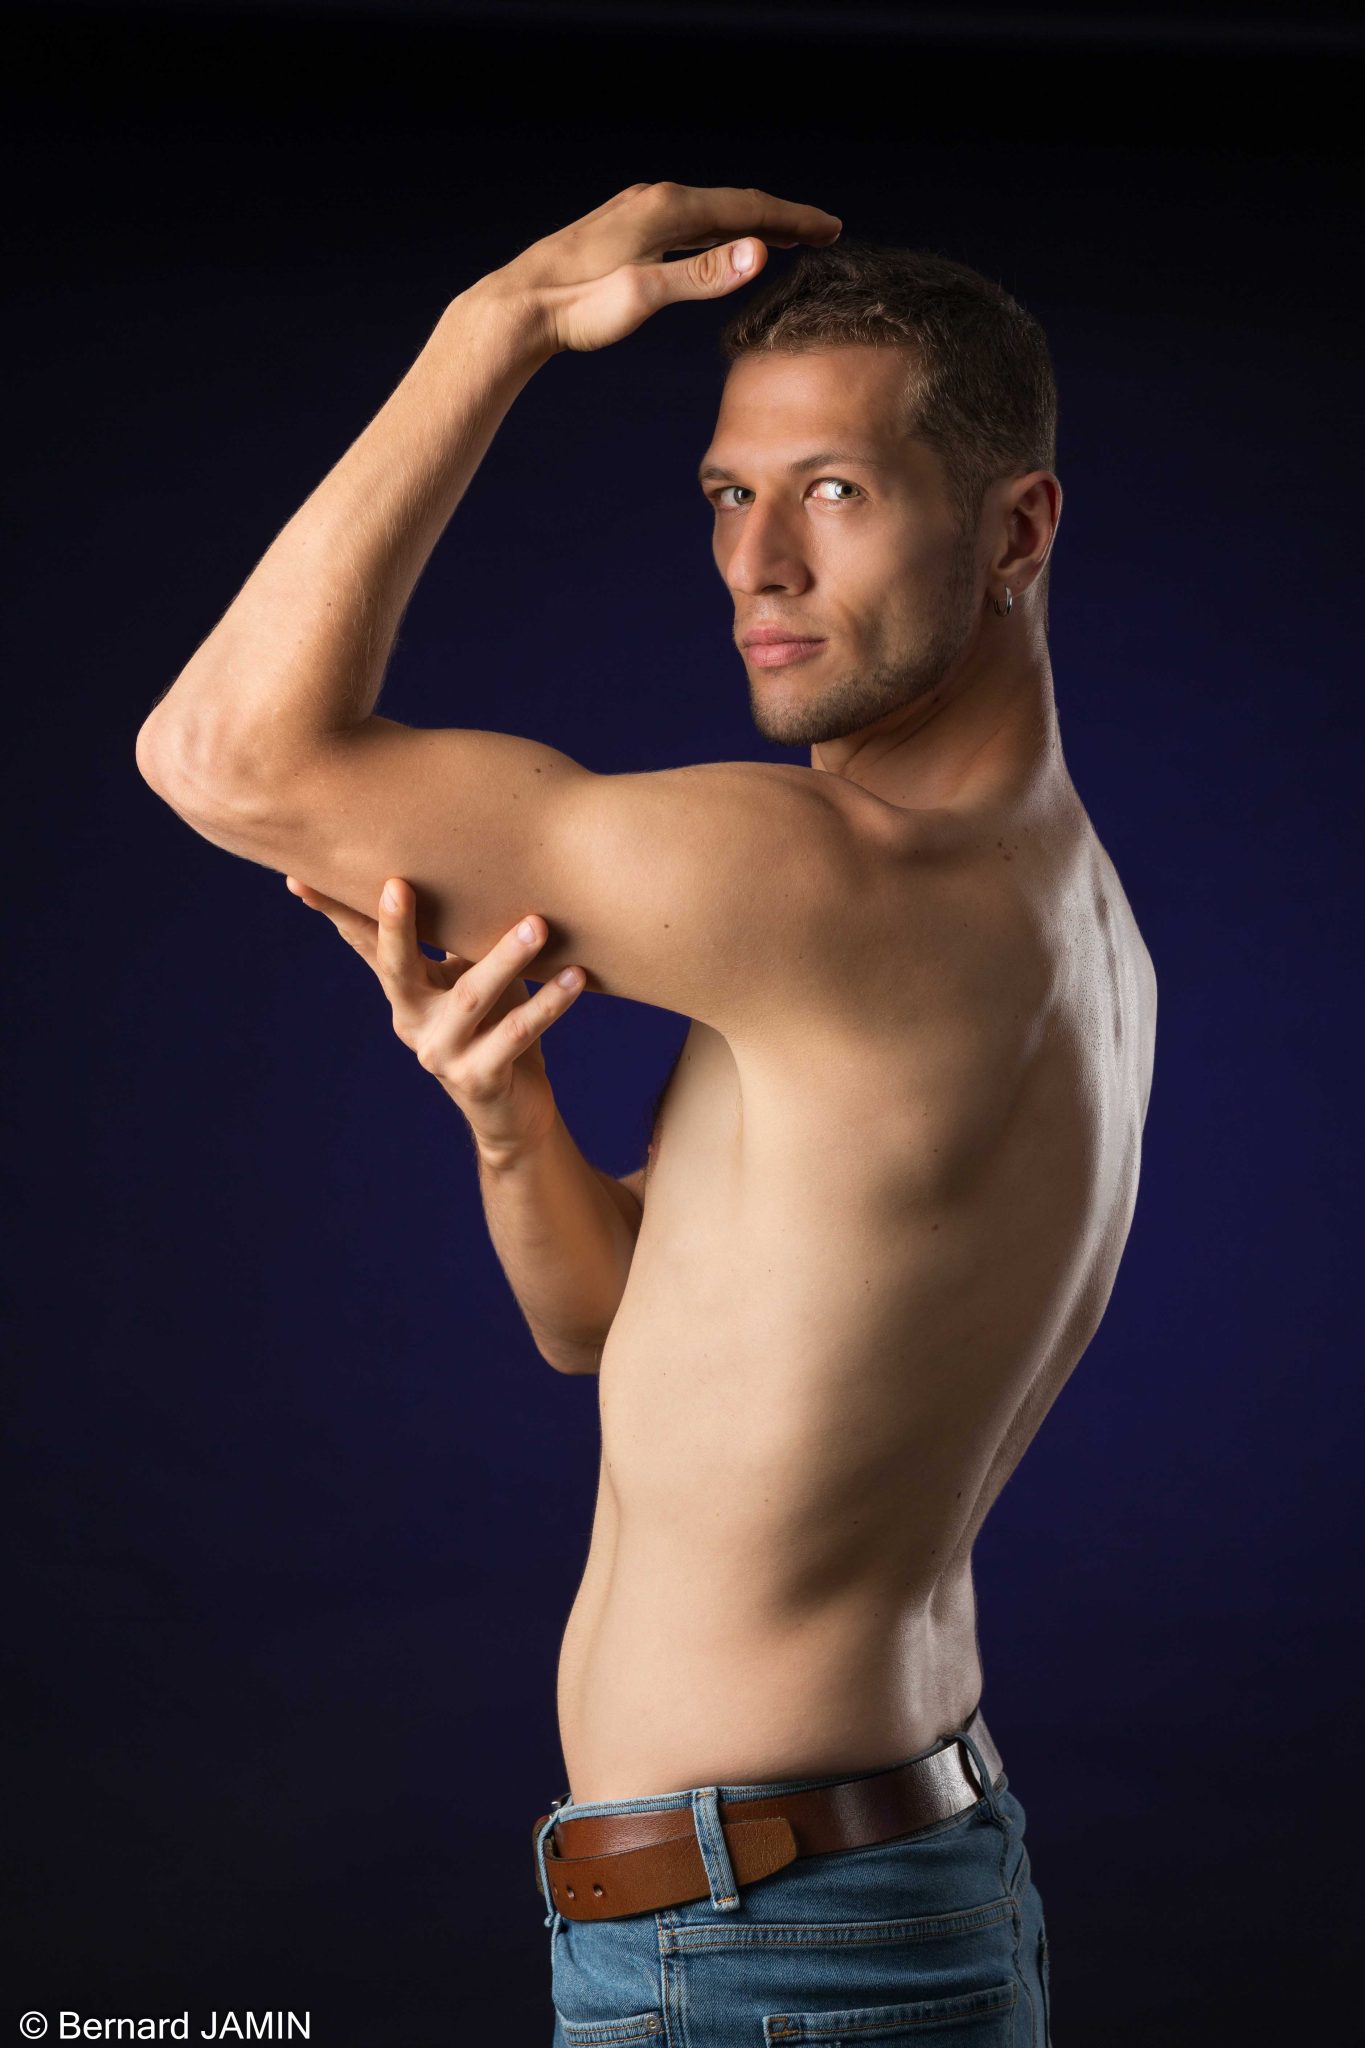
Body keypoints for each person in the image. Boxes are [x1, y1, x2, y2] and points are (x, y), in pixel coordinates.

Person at [135, 182, 1156, 2046]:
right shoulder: (1064, 902)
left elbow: (222, 757)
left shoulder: (837, 882)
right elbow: (601, 1324)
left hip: (761, 1951)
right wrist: (510, 1117)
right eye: (724, 493)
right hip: (874, 1887)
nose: (755, 561)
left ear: (1015, 529)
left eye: (832, 491)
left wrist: (498, 322)